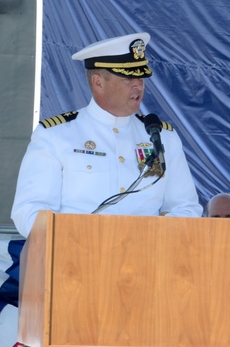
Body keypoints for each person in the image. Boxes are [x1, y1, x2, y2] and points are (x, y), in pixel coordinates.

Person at [10, 32, 201, 236]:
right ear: (98, 82)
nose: (138, 85)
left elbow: (186, 208)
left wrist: (147, 237)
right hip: (75, 259)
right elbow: (29, 213)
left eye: (141, 77)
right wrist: (80, 238)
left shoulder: (162, 137)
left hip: (146, 259)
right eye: (128, 77)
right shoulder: (55, 135)